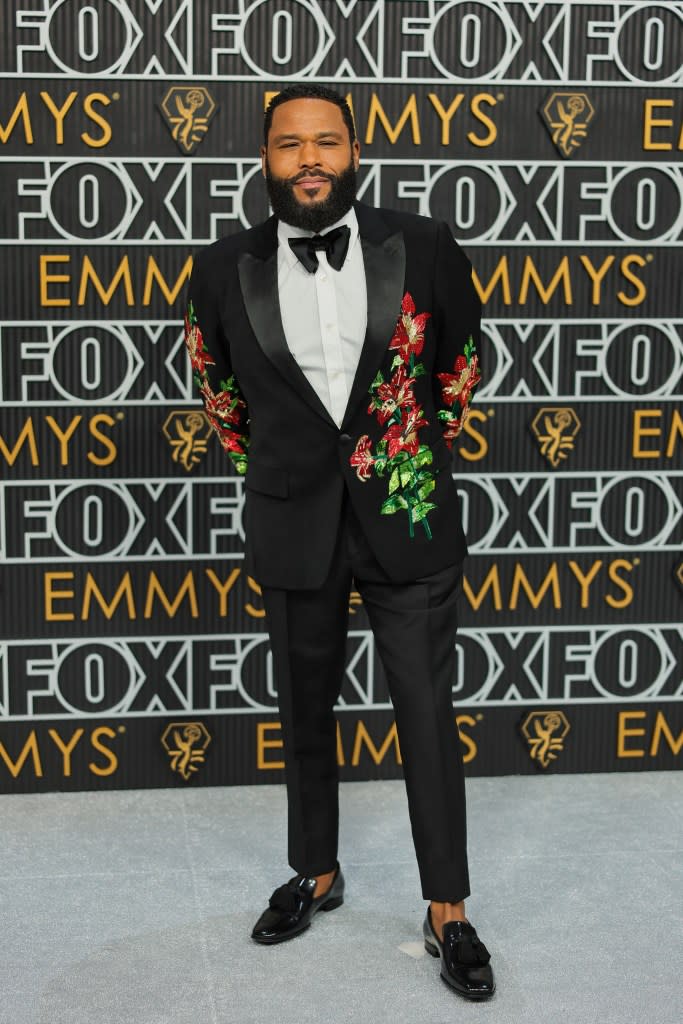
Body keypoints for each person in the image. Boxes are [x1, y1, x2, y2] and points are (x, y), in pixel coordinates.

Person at [184, 84, 494, 1001]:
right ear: (266, 158)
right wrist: (294, 471)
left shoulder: (424, 244)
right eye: (290, 145)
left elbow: (462, 362)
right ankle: (315, 872)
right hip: (292, 518)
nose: (309, 158)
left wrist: (397, 453)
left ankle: (448, 908)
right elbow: (222, 397)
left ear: (354, 151)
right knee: (302, 710)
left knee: (427, 718)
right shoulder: (220, 265)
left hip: (406, 515)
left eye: (326, 141)